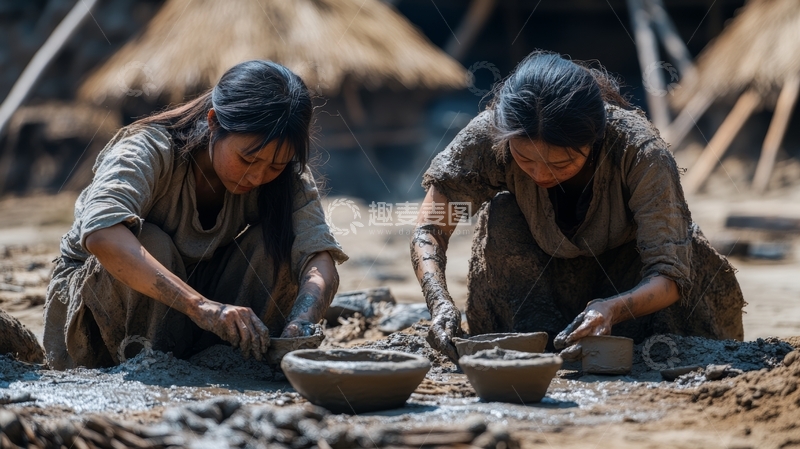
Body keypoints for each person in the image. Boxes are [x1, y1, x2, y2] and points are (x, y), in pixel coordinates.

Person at [411, 51, 744, 362]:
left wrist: (612, 309)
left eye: (561, 163)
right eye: (525, 158)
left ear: (595, 139)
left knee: (673, 324)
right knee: (503, 215)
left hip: (632, 289)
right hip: (535, 285)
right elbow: (430, 230)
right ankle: (535, 337)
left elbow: (669, 276)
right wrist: (439, 303)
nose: (541, 174)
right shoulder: (489, 135)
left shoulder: (639, 152)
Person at [44, 60, 348, 369]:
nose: (257, 177)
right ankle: (148, 364)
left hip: (194, 307)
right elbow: (102, 235)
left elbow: (318, 256)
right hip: (99, 313)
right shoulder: (146, 150)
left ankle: (229, 361)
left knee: (279, 247)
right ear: (214, 122)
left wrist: (303, 319)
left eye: (274, 166)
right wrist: (201, 307)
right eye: (247, 159)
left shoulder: (286, 172)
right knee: (151, 242)